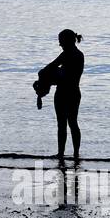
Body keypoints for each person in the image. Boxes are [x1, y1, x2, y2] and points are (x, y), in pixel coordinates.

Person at [41, 30, 84, 160]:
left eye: (61, 41)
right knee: (73, 123)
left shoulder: (67, 54)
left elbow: (51, 67)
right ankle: (75, 154)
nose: (59, 44)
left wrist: (43, 75)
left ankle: (61, 153)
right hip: (74, 92)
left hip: (64, 93)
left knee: (62, 124)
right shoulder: (78, 54)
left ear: (67, 41)